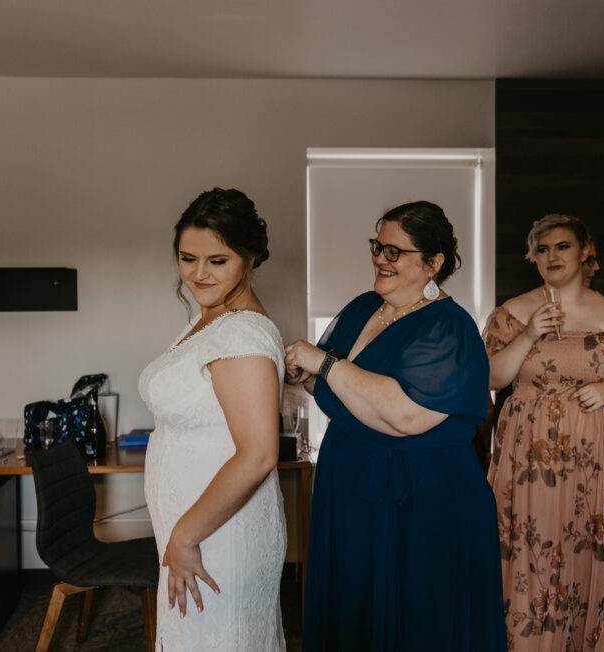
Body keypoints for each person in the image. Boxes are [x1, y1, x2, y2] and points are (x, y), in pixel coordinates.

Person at [284, 201, 506, 651]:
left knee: (419, 618)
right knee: (357, 609)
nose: (380, 259)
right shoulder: (364, 306)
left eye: (394, 251)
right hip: (351, 486)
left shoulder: (449, 326)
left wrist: (324, 364)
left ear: (434, 262)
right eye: (377, 247)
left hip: (423, 498)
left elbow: (405, 415)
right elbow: (345, 391)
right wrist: (309, 378)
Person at [483, 214, 604, 651]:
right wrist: (528, 335)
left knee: (587, 548)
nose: (551, 256)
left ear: (584, 252)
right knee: (531, 546)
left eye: (562, 246)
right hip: (530, 457)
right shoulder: (512, 313)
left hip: (597, 458)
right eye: (542, 249)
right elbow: (491, 377)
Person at [139, 188, 287, 651]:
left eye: (217, 261)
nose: (198, 274)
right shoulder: (210, 320)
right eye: (188, 258)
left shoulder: (241, 331)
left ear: (250, 258)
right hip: (200, 529)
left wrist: (185, 535)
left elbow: (259, 453)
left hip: (215, 534)